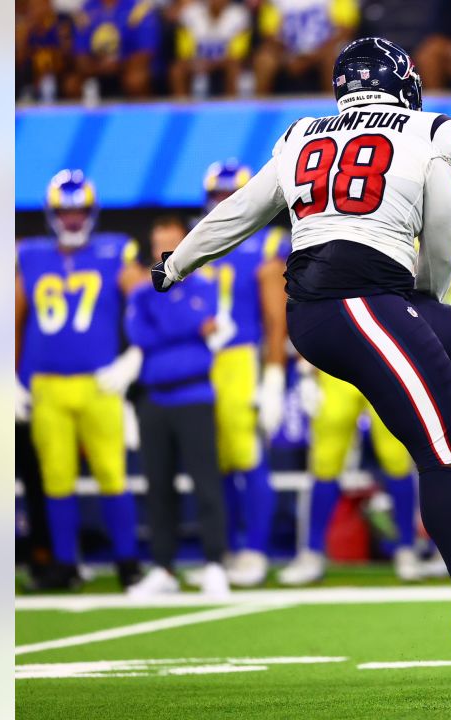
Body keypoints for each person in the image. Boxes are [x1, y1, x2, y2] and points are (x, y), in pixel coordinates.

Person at [152, 37, 451, 649]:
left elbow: (244, 208)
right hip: (353, 301)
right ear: (405, 85)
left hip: (344, 300)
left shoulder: (302, 135)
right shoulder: (431, 131)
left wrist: (177, 262)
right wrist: (430, 289)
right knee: (438, 448)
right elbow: (442, 221)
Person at [16, 170, 143, 592]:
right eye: (65, 213)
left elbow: (146, 298)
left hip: (99, 382)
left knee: (112, 473)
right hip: (47, 385)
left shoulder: (114, 252)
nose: (72, 222)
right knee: (56, 478)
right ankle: (65, 564)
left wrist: (134, 355)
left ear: (92, 213)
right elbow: (11, 315)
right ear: (52, 214)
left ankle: (127, 563)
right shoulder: (30, 255)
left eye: (79, 213)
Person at [185, 160, 290, 588]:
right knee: (215, 463)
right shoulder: (196, 238)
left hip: (240, 359)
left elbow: (274, 316)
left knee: (248, 459)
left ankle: (256, 549)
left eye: (232, 195)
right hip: (197, 360)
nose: (224, 204)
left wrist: (274, 375)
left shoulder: (268, 246)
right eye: (217, 196)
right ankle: (223, 549)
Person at [123, 216, 231, 598]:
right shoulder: (140, 293)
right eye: (158, 244)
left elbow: (182, 324)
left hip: (195, 395)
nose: (165, 251)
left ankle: (215, 564)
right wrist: (186, 326)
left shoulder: (205, 284)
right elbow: (140, 334)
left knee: (206, 484)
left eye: (172, 243)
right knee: (158, 489)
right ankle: (164, 567)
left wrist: (172, 322)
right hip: (154, 399)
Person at [279, 368, 423, 584]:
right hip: (336, 364)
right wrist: (306, 367)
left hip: (384, 365)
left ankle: (407, 548)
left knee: (396, 459)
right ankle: (312, 551)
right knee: (325, 463)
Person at [253, 0, 358, 94]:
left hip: (324, 51)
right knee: (264, 60)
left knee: (333, 60)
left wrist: (313, 57)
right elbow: (269, 34)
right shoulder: (275, 2)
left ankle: (334, 109)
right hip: (287, 51)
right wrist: (288, 56)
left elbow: (345, 30)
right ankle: (260, 110)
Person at [69, 0, 161, 99]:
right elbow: (80, 54)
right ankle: (86, 114)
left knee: (135, 80)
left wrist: (117, 65)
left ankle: (142, 114)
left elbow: (145, 53)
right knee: (72, 84)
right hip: (95, 69)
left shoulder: (140, 9)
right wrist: (99, 67)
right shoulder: (85, 10)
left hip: (128, 67)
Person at [170, 0, 252, 98]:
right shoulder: (190, 13)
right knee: (177, 69)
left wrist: (212, 64)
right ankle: (182, 108)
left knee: (234, 66)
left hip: (225, 61)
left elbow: (238, 53)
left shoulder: (240, 15)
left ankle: (231, 108)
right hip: (197, 61)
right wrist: (197, 61)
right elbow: (184, 50)